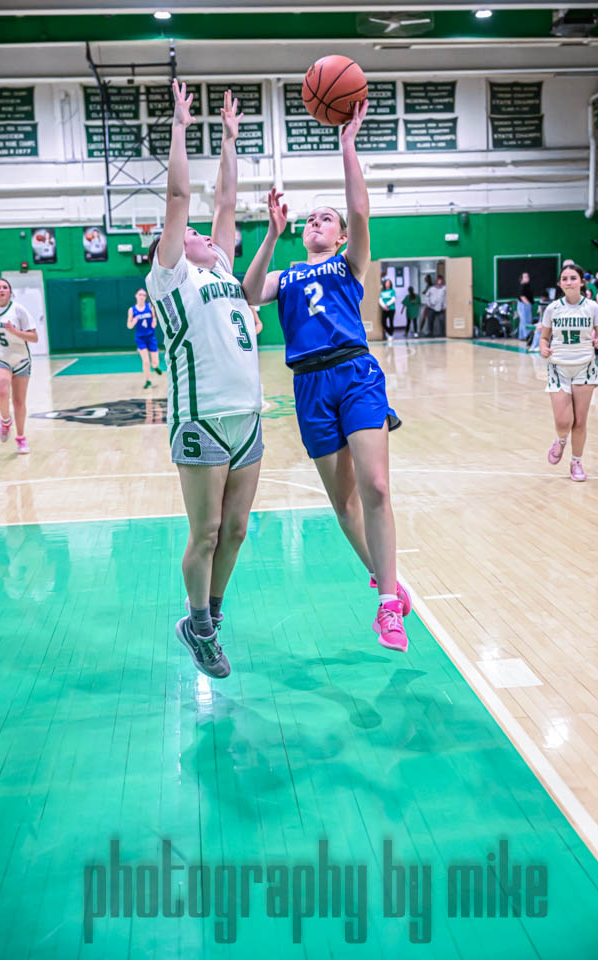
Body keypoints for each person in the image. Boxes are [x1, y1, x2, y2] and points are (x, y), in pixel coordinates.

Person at [243, 100, 412, 652]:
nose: (316, 222)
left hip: (354, 373)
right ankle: (388, 582)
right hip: (309, 386)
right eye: (311, 219)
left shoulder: (348, 265)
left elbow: (360, 211)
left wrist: (348, 145)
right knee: (344, 506)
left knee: (376, 486)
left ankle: (387, 606)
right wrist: (272, 233)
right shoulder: (287, 274)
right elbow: (249, 293)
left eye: (326, 219)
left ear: (340, 237)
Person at [145, 81, 263, 679]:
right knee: (208, 532)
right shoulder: (171, 279)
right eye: (186, 232)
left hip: (248, 417)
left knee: (236, 531)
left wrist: (230, 138)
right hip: (201, 417)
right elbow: (179, 196)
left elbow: (227, 200)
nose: (198, 233)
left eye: (201, 233)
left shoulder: (223, 270)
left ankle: (206, 621)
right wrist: (180, 127)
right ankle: (199, 622)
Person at [541, 263, 598, 482]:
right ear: (560, 284)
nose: (568, 282)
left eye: (573, 278)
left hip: (584, 367)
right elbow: (544, 338)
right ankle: (561, 440)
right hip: (558, 367)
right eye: (565, 279)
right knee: (563, 423)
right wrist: (543, 348)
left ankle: (576, 462)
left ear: (582, 282)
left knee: (580, 421)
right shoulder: (552, 309)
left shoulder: (592, 307)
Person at [0, 277, 38, 454]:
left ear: (10, 291)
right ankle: (6, 421)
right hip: (1, 358)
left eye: (4, 287)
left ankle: (21, 438)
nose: (1, 290)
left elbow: (34, 338)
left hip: (21, 360)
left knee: (19, 402)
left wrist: (15, 332)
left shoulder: (18, 310)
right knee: (1, 391)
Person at [126, 288, 162, 389]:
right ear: (136, 296)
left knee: (155, 362)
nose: (142, 297)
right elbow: (129, 325)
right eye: (140, 294)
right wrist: (133, 321)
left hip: (151, 337)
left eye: (144, 295)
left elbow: (154, 318)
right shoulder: (132, 310)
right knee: (146, 361)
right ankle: (148, 381)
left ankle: (155, 367)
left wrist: (154, 322)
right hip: (140, 338)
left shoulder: (149, 306)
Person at [517, 271, 534, 340]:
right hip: (524, 305)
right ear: (522, 278)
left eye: (528, 276)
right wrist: (528, 304)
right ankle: (527, 336)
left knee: (523, 321)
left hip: (525, 304)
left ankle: (522, 336)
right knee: (526, 321)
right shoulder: (523, 285)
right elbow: (521, 296)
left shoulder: (526, 285)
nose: (527, 278)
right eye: (525, 277)